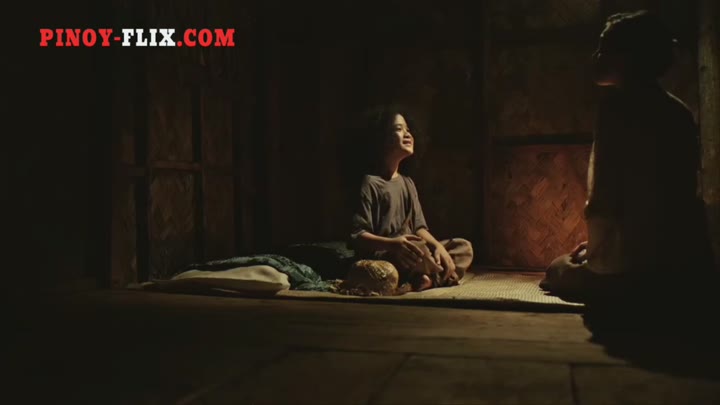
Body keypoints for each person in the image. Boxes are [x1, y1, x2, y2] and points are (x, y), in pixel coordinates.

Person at [541, 10, 714, 298]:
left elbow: (605, 197)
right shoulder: (678, 111)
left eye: (604, 49)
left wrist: (599, 253)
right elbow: (670, 200)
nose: (596, 57)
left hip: (631, 269)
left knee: (557, 268)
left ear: (628, 58)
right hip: (677, 260)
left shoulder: (615, 109)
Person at [347, 106, 473, 291]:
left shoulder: (407, 183)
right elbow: (358, 236)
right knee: (416, 252)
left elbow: (419, 228)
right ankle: (434, 277)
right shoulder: (370, 183)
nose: (407, 134)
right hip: (387, 255)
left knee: (463, 248)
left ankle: (424, 278)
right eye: (399, 129)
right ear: (381, 139)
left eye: (408, 129)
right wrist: (394, 245)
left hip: (415, 251)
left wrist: (438, 247)